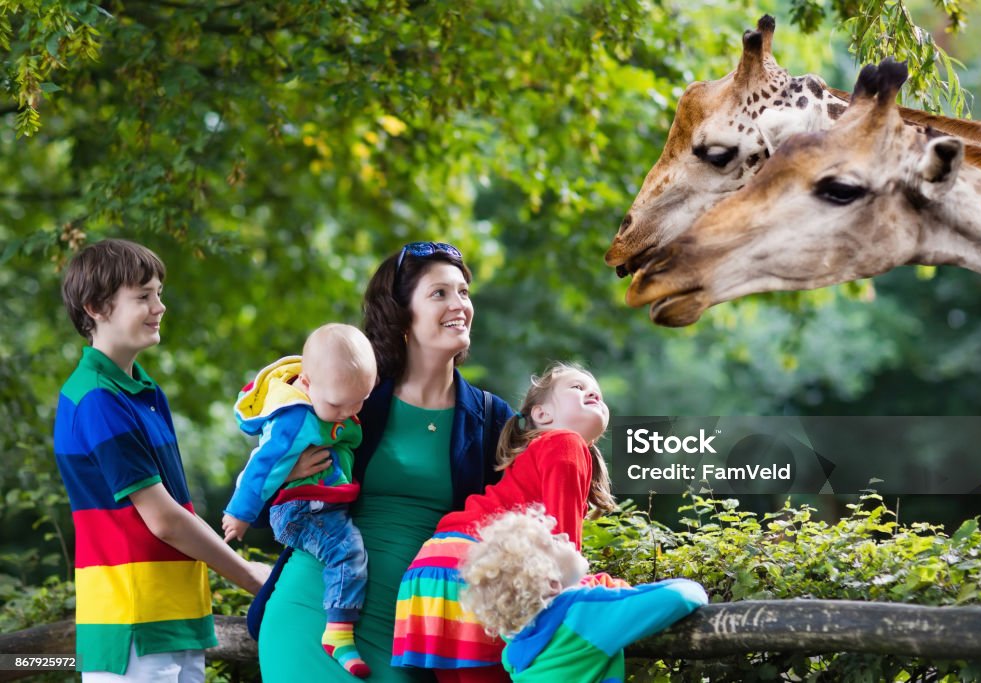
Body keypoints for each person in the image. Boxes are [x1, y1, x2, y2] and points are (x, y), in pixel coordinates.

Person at [254, 242, 515, 682]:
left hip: (411, 640)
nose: (459, 305)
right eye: (440, 294)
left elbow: (527, 510)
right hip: (311, 616)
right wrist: (286, 476)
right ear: (401, 313)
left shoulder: (491, 419)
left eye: (464, 292)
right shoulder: (353, 400)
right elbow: (258, 501)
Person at [53, 239, 272, 681]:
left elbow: (177, 512)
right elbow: (164, 519)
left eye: (159, 293)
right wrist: (249, 576)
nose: (160, 306)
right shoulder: (96, 398)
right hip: (132, 629)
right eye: (143, 296)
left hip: (175, 621)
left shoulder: (144, 392)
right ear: (96, 306)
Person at [391, 361, 617, 683]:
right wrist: (590, 587)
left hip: (435, 569)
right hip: (477, 569)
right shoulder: (566, 443)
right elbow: (562, 545)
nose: (592, 392)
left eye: (596, 392)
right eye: (577, 387)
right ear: (542, 415)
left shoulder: (541, 451)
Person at [222, 323, 377, 677]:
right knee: (347, 551)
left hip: (319, 501)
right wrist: (240, 513)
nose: (348, 412)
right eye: (339, 404)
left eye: (359, 402)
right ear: (306, 385)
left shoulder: (333, 396)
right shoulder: (295, 418)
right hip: (301, 508)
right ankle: (338, 631)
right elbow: (262, 466)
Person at [460, 507, 709, 682]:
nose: (565, 536)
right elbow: (679, 597)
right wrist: (698, 587)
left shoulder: (517, 636)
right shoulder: (583, 614)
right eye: (553, 542)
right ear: (551, 583)